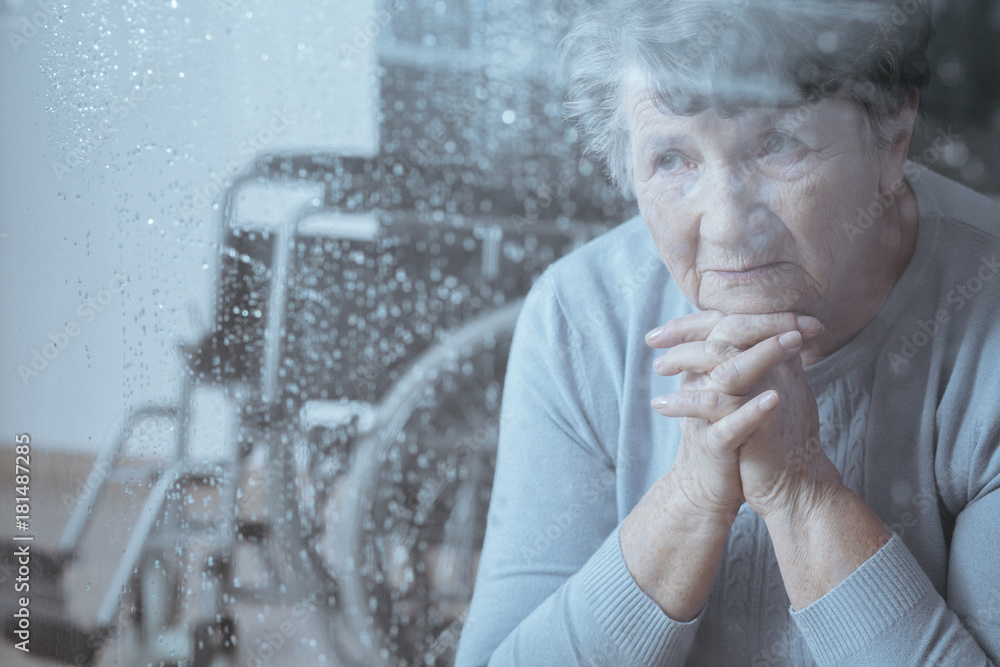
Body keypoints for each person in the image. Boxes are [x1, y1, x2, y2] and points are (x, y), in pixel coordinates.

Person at [454, 0, 1000, 665]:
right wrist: (689, 495)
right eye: (672, 160)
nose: (726, 227)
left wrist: (801, 492)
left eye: (777, 145)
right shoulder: (580, 318)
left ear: (892, 139)